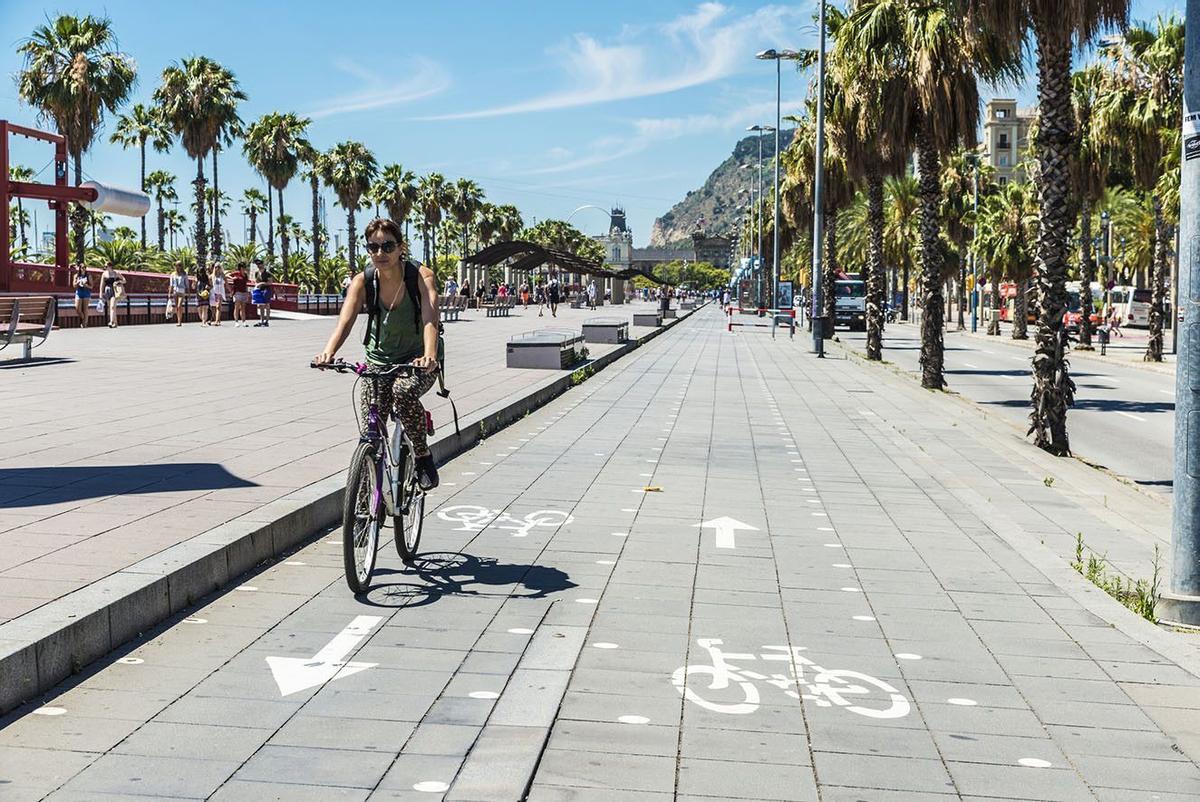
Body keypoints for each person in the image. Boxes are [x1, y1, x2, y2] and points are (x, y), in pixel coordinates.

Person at [312, 218, 442, 490]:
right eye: (373, 247)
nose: (380, 253)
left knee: (403, 392)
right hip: (379, 360)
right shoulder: (364, 281)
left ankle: (422, 456)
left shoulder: (420, 276)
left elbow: (430, 318)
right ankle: (365, 490)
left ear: (401, 247)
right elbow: (344, 322)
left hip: (417, 360)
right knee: (370, 430)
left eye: (387, 246)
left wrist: (429, 356)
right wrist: (328, 352)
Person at [100, 263, 125, 328]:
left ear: (110, 266)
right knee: (110, 308)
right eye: (105, 266)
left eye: (106, 266)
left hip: (115, 290)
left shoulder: (116, 273)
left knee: (112, 307)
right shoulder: (104, 274)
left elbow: (124, 280)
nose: (105, 267)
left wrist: (118, 281)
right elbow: (102, 285)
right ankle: (115, 323)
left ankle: (111, 322)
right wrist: (100, 294)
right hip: (107, 291)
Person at [228, 262, 250, 327]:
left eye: (244, 267)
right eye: (242, 267)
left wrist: (247, 293)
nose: (244, 268)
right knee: (237, 307)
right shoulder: (236, 273)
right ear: (240, 267)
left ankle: (244, 322)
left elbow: (246, 283)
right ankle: (236, 322)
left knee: (243, 308)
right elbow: (226, 275)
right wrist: (232, 278)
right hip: (237, 292)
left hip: (244, 292)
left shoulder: (245, 275)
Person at [168, 262, 189, 326]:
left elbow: (187, 284)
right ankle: (178, 320)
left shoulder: (184, 274)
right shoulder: (173, 274)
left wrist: (188, 293)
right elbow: (171, 284)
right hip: (175, 291)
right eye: (176, 266)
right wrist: (169, 293)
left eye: (179, 265)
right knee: (177, 306)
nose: (177, 267)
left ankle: (180, 321)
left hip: (182, 291)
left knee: (179, 306)